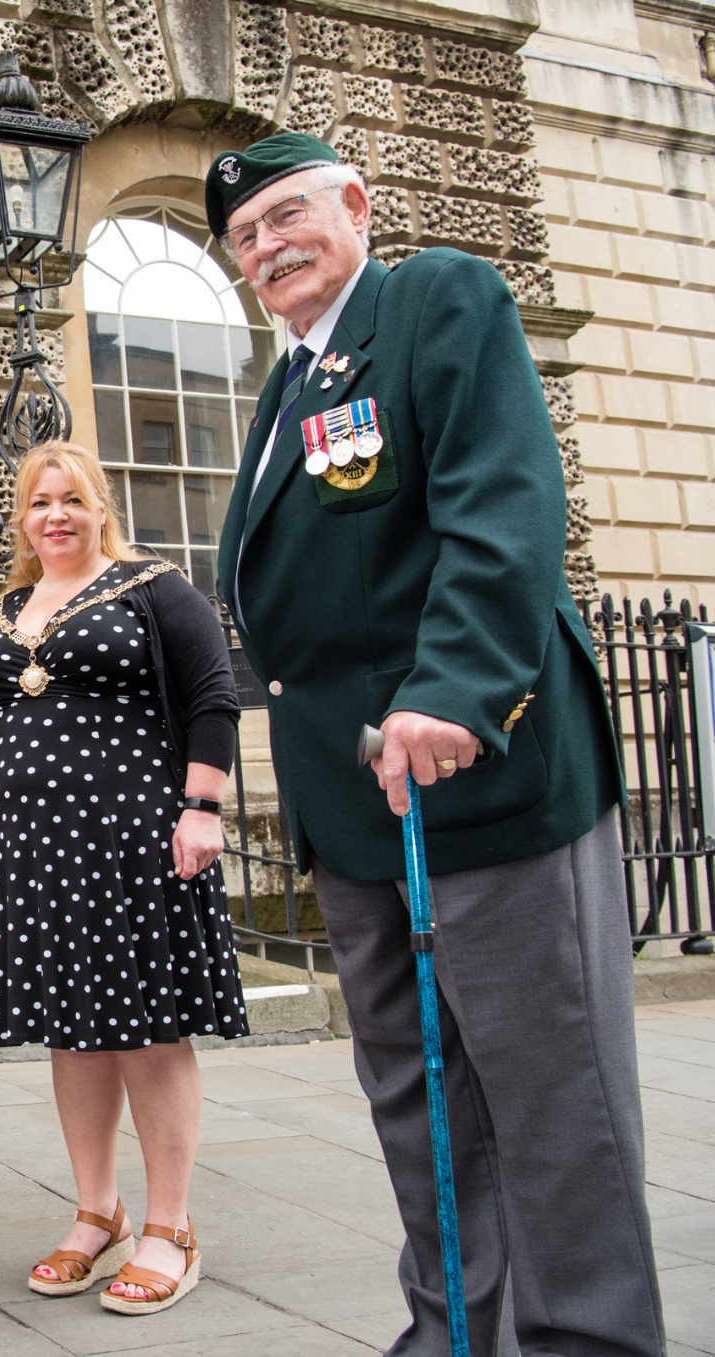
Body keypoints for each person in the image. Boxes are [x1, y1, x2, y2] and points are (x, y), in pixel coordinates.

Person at [208, 133, 665, 1356]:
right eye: (246, 237)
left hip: (478, 783)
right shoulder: (285, 386)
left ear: (356, 205)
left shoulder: (433, 300)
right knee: (419, 1106)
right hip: (357, 819)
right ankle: (458, 1330)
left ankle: (587, 1338)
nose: (269, 246)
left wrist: (456, 687)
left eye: (289, 215)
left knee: (551, 1094)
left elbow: (500, 500)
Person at [0, 441, 245, 1314]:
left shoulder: (153, 587)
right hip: (34, 853)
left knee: (149, 1030)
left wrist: (203, 805)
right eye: (40, 502)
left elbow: (213, 692)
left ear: (99, 505)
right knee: (71, 1030)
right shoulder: (4, 608)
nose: (56, 516)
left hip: (134, 845)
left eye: (71, 500)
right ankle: (97, 1210)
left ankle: (170, 1225)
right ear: (23, 514)